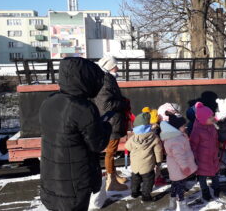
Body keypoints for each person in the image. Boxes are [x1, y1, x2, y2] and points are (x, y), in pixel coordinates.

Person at [39, 57, 112, 211]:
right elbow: (97, 144)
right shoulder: (84, 108)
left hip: (51, 179)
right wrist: (106, 126)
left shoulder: (49, 101)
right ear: (84, 79)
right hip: (74, 185)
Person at [94, 55, 129, 191]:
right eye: (115, 65)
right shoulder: (106, 81)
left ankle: (113, 175)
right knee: (110, 152)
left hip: (112, 121)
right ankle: (111, 180)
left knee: (112, 151)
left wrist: (121, 100)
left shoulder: (107, 79)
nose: (118, 68)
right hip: (111, 122)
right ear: (109, 67)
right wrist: (123, 103)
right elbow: (106, 105)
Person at [160, 112, 197, 210]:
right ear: (176, 128)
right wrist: (185, 167)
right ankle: (182, 205)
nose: (185, 128)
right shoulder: (176, 139)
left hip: (175, 167)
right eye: (183, 126)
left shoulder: (174, 136)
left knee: (175, 185)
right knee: (180, 187)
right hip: (179, 167)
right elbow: (179, 156)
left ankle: (172, 203)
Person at [125, 112, 163, 201]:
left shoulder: (133, 138)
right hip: (147, 166)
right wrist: (159, 161)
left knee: (135, 179)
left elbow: (127, 146)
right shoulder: (154, 137)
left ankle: (134, 192)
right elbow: (158, 151)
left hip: (135, 165)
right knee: (148, 181)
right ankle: (146, 196)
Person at [190, 102, 220, 201]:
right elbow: (193, 146)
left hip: (213, 157)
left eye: (212, 116)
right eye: (210, 117)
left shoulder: (212, 127)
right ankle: (205, 192)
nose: (213, 118)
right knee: (202, 177)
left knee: (215, 174)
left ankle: (217, 189)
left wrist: (217, 149)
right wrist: (194, 159)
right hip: (202, 160)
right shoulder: (197, 130)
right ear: (202, 119)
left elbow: (215, 140)